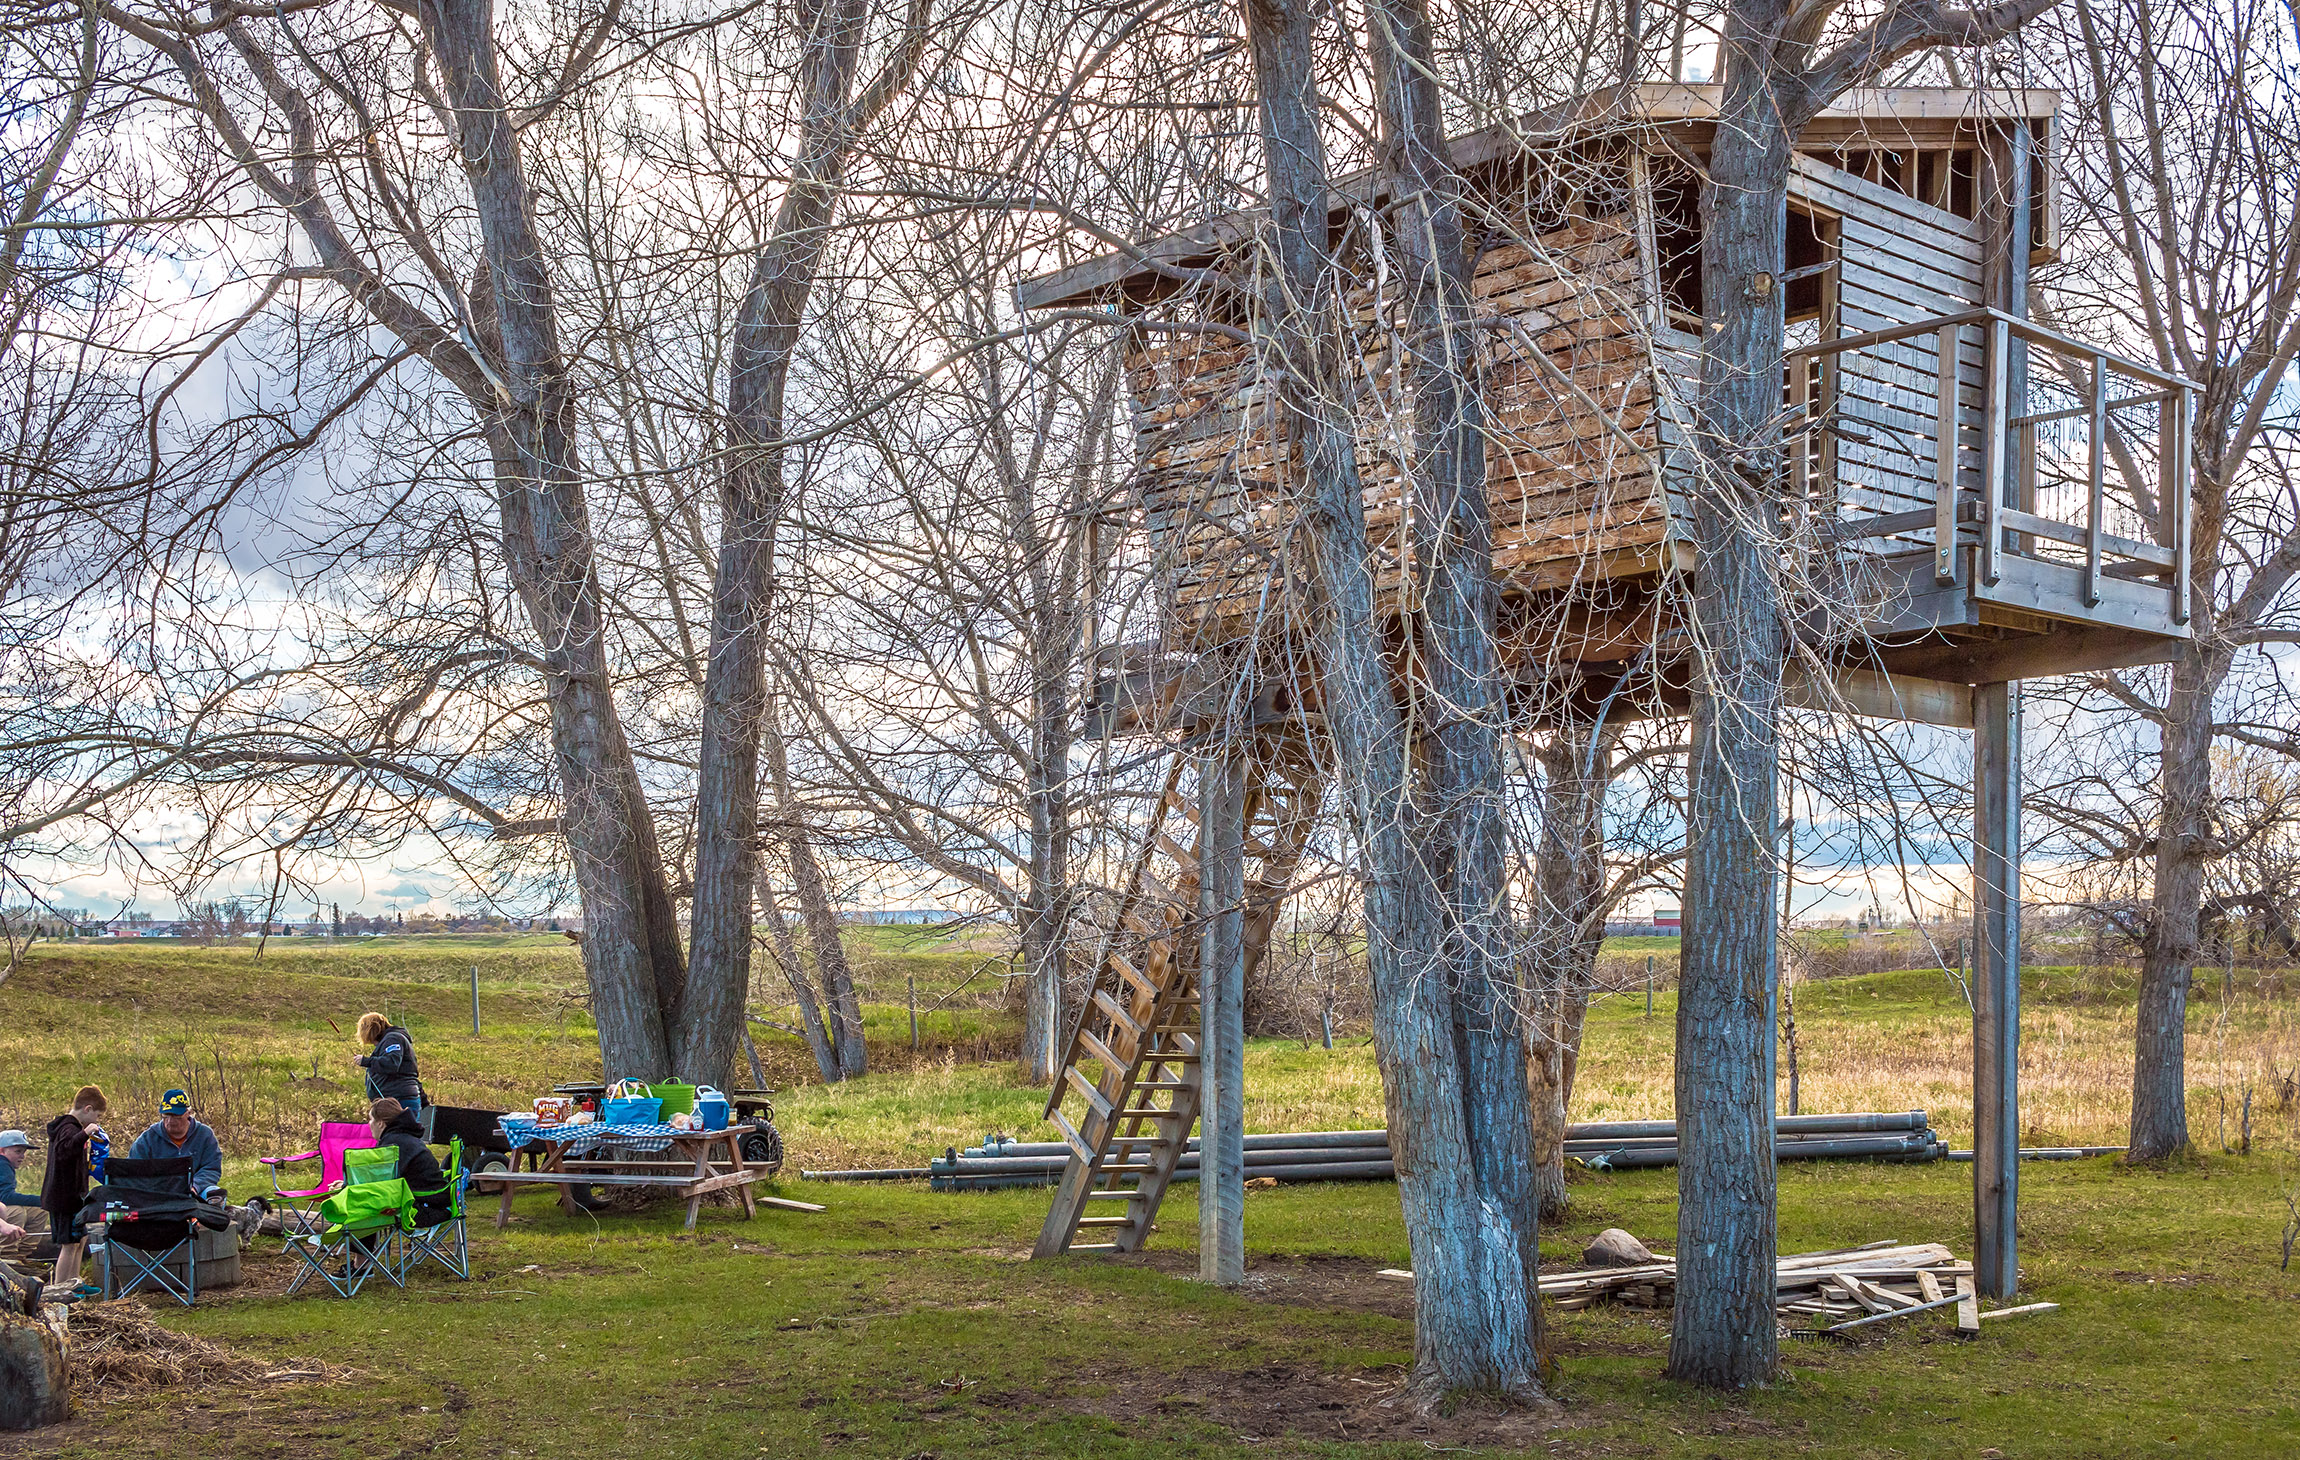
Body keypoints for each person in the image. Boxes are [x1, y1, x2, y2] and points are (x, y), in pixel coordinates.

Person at [40, 1087, 108, 1297]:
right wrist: (85, 1134)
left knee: (81, 1241)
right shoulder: (67, 1128)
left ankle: (74, 1282)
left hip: (76, 1197)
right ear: (87, 1109)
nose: (96, 1120)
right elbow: (64, 1151)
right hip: (63, 1199)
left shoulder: (73, 1129)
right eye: (96, 1116)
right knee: (68, 1245)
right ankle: (59, 1290)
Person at [127, 1090, 226, 1202]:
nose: (170, 1121)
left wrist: (195, 1187)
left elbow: (211, 1168)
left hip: (195, 1192)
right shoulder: (146, 1140)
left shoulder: (205, 1135)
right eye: (166, 1116)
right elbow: (133, 1172)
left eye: (176, 1116)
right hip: (157, 1195)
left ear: (188, 1113)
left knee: (215, 1194)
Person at [367, 1099, 451, 1224]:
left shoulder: (394, 1144)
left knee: (366, 1207)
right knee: (372, 1203)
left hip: (423, 1207)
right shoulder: (405, 1138)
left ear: (380, 1123)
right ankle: (365, 1244)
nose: (369, 1124)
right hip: (433, 1201)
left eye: (370, 1119)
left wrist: (345, 1188)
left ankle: (357, 1243)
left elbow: (380, 1181)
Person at [354, 1012, 424, 1111]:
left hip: (398, 1100)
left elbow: (391, 1064)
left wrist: (366, 1061)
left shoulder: (393, 1039)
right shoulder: (390, 1040)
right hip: (397, 1098)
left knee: (400, 1126)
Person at [0, 1130, 45, 1259]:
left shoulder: (5, 1164)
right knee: (16, 1212)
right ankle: (7, 1256)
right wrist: (42, 1200)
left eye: (24, 1152)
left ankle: (23, 1255)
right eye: (18, 1151)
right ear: (2, 1151)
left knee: (39, 1212)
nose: (22, 1156)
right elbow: (5, 1197)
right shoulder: (2, 1164)